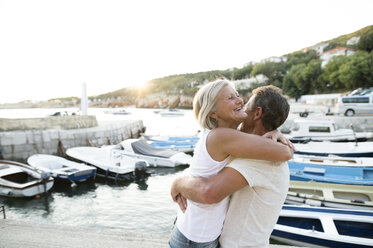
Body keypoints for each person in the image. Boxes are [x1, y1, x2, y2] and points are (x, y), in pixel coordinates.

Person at [168, 80, 293, 248]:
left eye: (242, 100)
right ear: (213, 112)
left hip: (203, 235)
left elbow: (208, 192)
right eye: (231, 98)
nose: (240, 102)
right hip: (196, 236)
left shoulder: (255, 154)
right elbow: (283, 152)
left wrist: (178, 182)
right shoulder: (227, 138)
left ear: (257, 114)